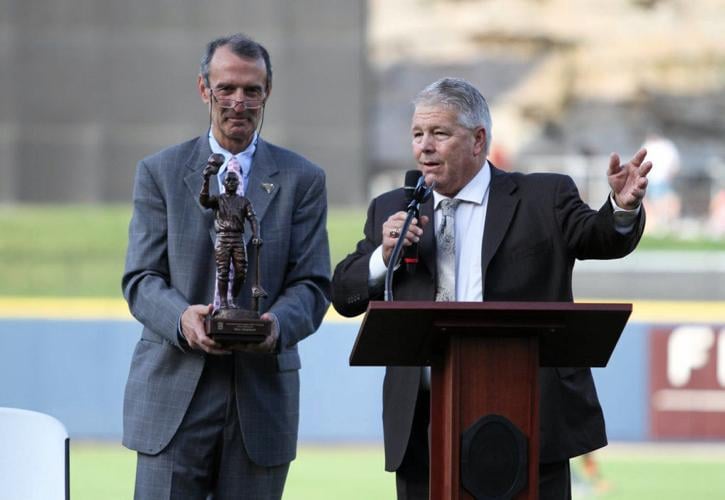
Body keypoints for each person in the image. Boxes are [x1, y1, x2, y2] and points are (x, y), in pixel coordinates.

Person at [331, 77, 650, 500]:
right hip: (423, 426)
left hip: (530, 418)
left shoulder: (543, 196)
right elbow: (344, 294)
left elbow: (601, 238)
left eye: (439, 134)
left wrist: (622, 209)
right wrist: (382, 256)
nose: (424, 146)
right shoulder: (393, 207)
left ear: (478, 140)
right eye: (417, 134)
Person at [122, 33, 331, 499]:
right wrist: (182, 319)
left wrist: (275, 325)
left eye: (252, 90)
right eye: (227, 88)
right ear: (204, 90)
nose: (239, 101)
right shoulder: (159, 171)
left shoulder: (304, 179)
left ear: (267, 93)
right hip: (172, 397)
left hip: (260, 402)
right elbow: (140, 279)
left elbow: (314, 285)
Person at [200, 163, 261, 309]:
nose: (231, 183)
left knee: (241, 272)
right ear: (223, 182)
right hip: (223, 238)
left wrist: (256, 235)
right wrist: (206, 179)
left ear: (238, 182)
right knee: (223, 271)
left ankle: (233, 298)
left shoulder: (244, 201)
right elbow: (204, 201)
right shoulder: (218, 200)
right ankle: (223, 302)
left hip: (238, 238)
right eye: (228, 180)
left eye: (234, 180)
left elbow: (253, 219)